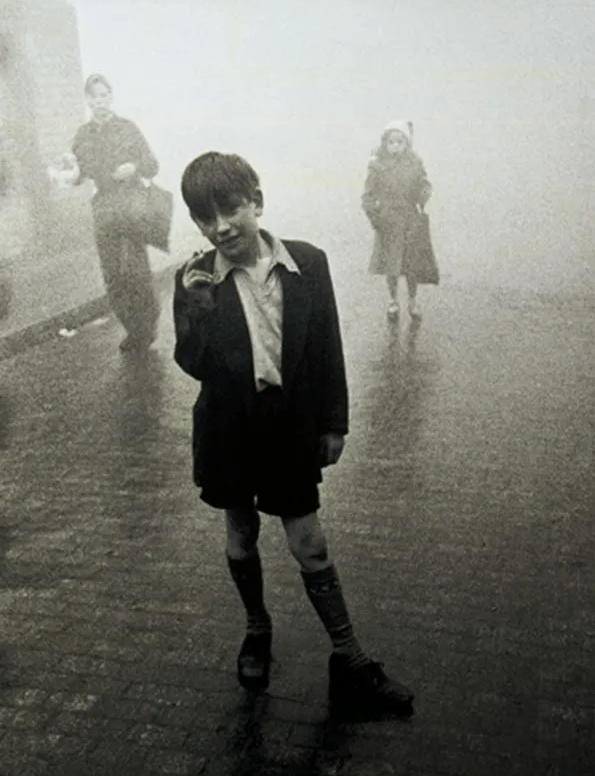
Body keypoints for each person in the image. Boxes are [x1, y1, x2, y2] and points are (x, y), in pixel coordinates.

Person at [173, 151, 414, 717]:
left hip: (288, 428)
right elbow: (194, 363)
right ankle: (257, 629)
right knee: (240, 532)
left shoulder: (307, 262)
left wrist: (336, 422)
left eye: (230, 209)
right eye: (205, 218)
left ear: (256, 201)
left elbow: (328, 345)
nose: (221, 227)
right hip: (230, 430)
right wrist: (201, 309)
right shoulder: (196, 280)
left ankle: (351, 660)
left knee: (310, 542)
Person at [52, 74, 161, 351]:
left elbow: (152, 164)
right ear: (87, 100)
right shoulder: (83, 135)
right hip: (104, 207)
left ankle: (146, 327)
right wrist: (67, 169)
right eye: (93, 96)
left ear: (111, 97)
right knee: (113, 273)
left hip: (131, 204)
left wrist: (134, 167)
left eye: (103, 95)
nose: (99, 101)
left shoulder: (128, 128)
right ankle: (132, 328)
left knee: (136, 270)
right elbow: (78, 174)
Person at [362, 119, 438, 322]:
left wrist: (423, 193)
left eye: (400, 142)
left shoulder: (415, 163)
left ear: (407, 143)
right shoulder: (377, 166)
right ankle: (393, 300)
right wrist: (375, 216)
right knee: (392, 265)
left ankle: (413, 300)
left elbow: (424, 183)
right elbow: (368, 195)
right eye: (391, 142)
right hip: (388, 221)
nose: (395, 146)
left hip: (410, 219)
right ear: (384, 144)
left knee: (412, 264)